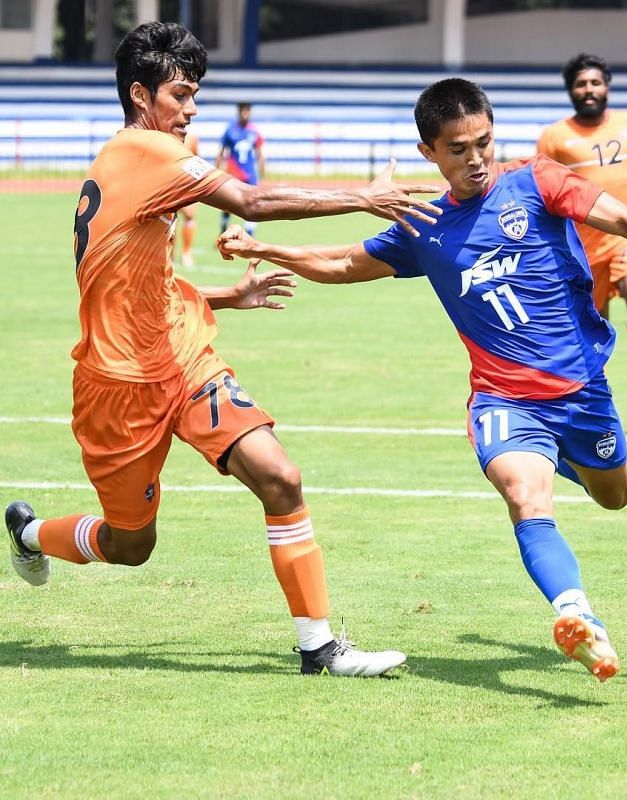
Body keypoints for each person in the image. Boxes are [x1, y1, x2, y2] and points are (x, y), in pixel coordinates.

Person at [215, 78, 627, 682]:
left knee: (614, 495)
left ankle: (559, 457)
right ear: (430, 154)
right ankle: (579, 617)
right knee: (525, 497)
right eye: (458, 149)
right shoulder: (423, 224)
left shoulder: (539, 181)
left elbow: (626, 219)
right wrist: (267, 248)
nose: (475, 159)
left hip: (582, 391)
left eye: (483, 143)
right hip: (502, 398)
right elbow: (341, 263)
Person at [4, 21, 443, 677]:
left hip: (183, 363)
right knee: (130, 547)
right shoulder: (147, 154)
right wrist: (363, 197)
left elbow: (138, 286)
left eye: (195, 93)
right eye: (181, 93)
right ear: (140, 95)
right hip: (118, 386)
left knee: (280, 477)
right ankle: (30, 533)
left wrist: (223, 299)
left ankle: (319, 648)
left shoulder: (127, 161)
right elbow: (252, 199)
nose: (191, 107)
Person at [537, 53, 627, 423]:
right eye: (581, 84)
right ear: (571, 90)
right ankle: (593, 396)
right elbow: (541, 190)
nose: (589, 90)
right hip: (583, 249)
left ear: (607, 86)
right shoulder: (554, 138)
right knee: (594, 328)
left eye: (595, 82)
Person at [216, 102, 264, 239]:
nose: (245, 114)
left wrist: (262, 171)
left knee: (253, 205)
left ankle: (250, 236)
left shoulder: (254, 131)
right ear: (239, 112)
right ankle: (222, 231)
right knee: (227, 205)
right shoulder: (231, 129)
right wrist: (217, 170)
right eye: (243, 111)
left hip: (250, 174)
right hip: (233, 173)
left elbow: (260, 153)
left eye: (247, 112)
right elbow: (221, 151)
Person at [176, 128, 200, 268]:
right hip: (167, 183)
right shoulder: (163, 136)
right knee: (167, 219)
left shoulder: (191, 137)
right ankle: (170, 254)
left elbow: (196, 158)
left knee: (189, 216)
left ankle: (186, 252)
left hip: (185, 184)